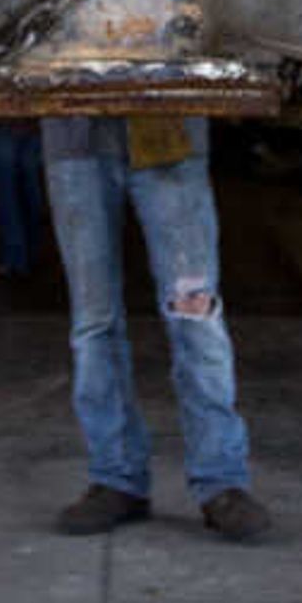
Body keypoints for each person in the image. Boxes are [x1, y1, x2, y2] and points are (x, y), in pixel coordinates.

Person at [42, 114, 269, 543]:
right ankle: (117, 476)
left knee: (195, 314)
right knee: (94, 322)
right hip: (74, 134)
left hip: (169, 127)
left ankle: (221, 482)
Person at [0, 117, 49, 279]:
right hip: (34, 116)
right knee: (31, 187)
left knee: (7, 191)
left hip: (1, 115)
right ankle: (27, 254)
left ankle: (17, 257)